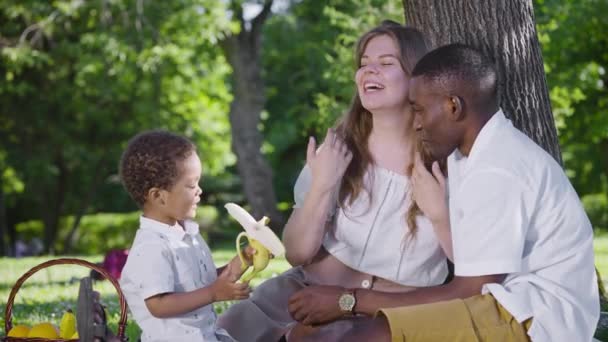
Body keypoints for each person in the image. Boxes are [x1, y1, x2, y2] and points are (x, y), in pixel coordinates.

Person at [313, 43, 600, 342]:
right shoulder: (469, 156)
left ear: (453, 106)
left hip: (536, 318)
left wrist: (347, 301)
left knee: (370, 337)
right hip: (505, 302)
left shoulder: (498, 167)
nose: (418, 123)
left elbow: (468, 291)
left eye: (419, 110)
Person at [217, 21, 452, 341]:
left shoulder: (446, 163)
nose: (370, 71)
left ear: (416, 78)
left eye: (386, 63)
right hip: (301, 295)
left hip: (383, 315)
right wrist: (322, 185)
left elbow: (473, 271)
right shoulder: (339, 150)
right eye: (364, 63)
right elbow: (297, 253)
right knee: (223, 333)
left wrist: (440, 216)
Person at [118, 130, 255, 342]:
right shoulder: (152, 246)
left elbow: (204, 283)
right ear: (158, 196)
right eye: (191, 185)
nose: (199, 191)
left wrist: (242, 262)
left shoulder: (186, 234)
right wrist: (214, 293)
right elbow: (158, 305)